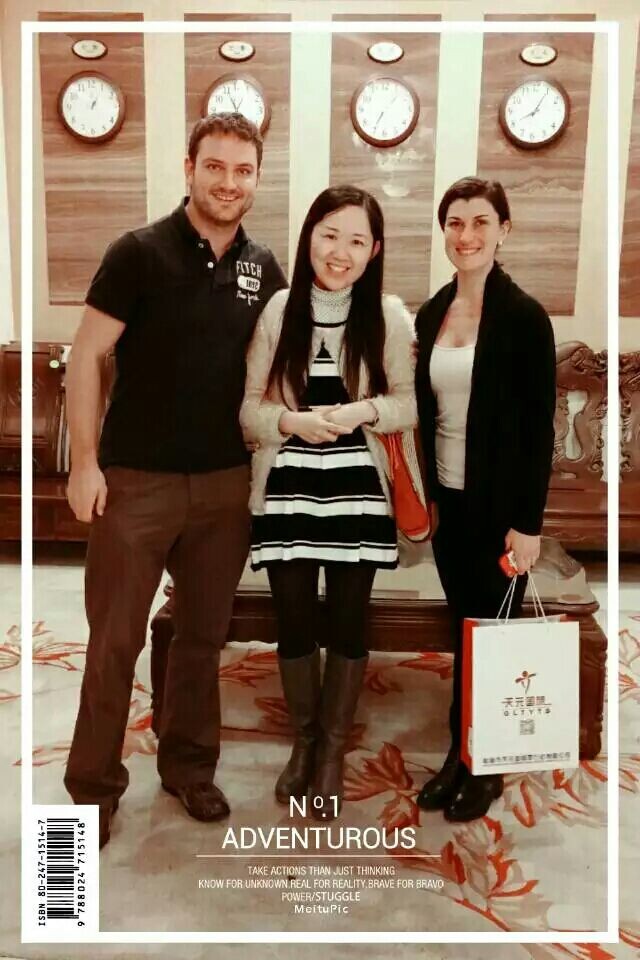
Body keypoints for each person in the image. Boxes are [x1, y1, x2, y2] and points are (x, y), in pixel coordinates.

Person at [63, 113, 287, 848]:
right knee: (115, 641)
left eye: (243, 170)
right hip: (136, 483)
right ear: (189, 167)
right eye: (215, 166)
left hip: (224, 487)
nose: (229, 182)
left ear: (257, 178)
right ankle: (93, 788)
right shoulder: (137, 253)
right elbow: (87, 357)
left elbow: (278, 370)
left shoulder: (265, 267)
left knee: (200, 639)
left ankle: (189, 767)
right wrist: (86, 462)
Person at [240, 185, 417, 821]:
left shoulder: (388, 315)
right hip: (287, 491)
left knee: (346, 621)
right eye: (329, 235)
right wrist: (291, 422)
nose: (340, 252)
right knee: (293, 621)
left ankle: (333, 751)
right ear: (309, 237)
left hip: (358, 495)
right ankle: (305, 742)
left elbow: (408, 404)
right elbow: (249, 410)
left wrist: (360, 411)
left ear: (374, 250)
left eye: (356, 240)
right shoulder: (279, 309)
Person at [414, 177, 556, 822]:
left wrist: (528, 524)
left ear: (504, 230)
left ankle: (486, 766)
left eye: (479, 222)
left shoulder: (523, 317)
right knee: (462, 630)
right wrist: (427, 495)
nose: (466, 235)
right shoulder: (432, 312)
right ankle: (459, 752)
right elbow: (426, 413)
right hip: (450, 503)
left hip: (502, 514)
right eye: (454, 223)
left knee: (493, 638)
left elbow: (537, 430)